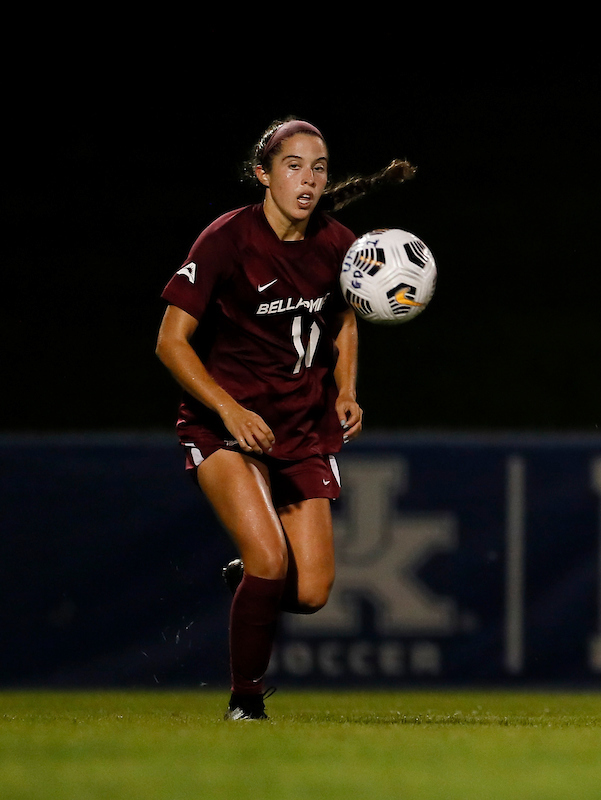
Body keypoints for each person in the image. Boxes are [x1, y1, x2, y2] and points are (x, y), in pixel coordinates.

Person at [156, 118, 415, 720]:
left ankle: (249, 583)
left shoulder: (336, 242)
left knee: (311, 592)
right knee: (270, 561)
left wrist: (347, 390)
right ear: (263, 174)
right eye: (294, 165)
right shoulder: (227, 239)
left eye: (319, 166)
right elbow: (171, 341)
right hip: (225, 425)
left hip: (300, 429)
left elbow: (347, 317)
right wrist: (228, 408)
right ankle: (246, 704)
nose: (308, 178)